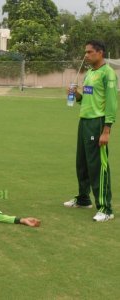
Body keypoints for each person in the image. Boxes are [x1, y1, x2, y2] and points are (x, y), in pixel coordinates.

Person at [64, 40, 118, 222]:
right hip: (84, 121)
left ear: (100, 53)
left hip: (98, 122)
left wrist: (107, 130)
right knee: (82, 163)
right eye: (85, 52)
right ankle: (83, 198)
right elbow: (86, 99)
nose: (85, 55)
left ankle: (106, 208)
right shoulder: (89, 73)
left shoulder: (108, 73)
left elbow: (111, 103)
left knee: (97, 166)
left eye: (89, 52)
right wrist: (75, 94)